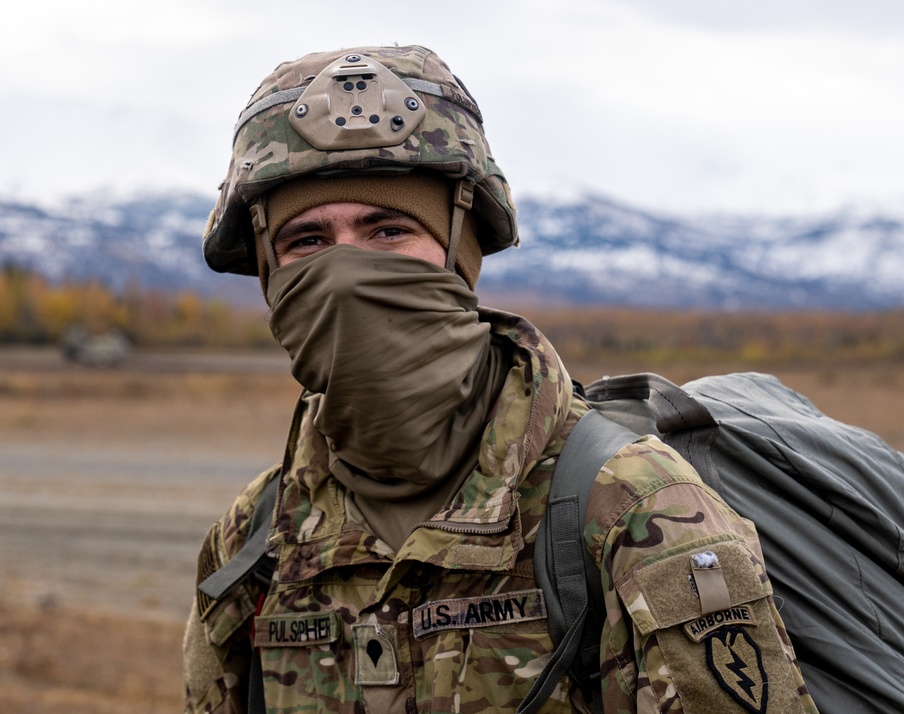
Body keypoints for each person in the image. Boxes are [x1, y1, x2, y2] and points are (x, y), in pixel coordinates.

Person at [183, 45, 817, 714]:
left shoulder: (630, 509)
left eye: (389, 230)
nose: (347, 274)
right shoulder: (255, 537)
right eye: (307, 241)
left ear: (461, 251)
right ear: (269, 273)